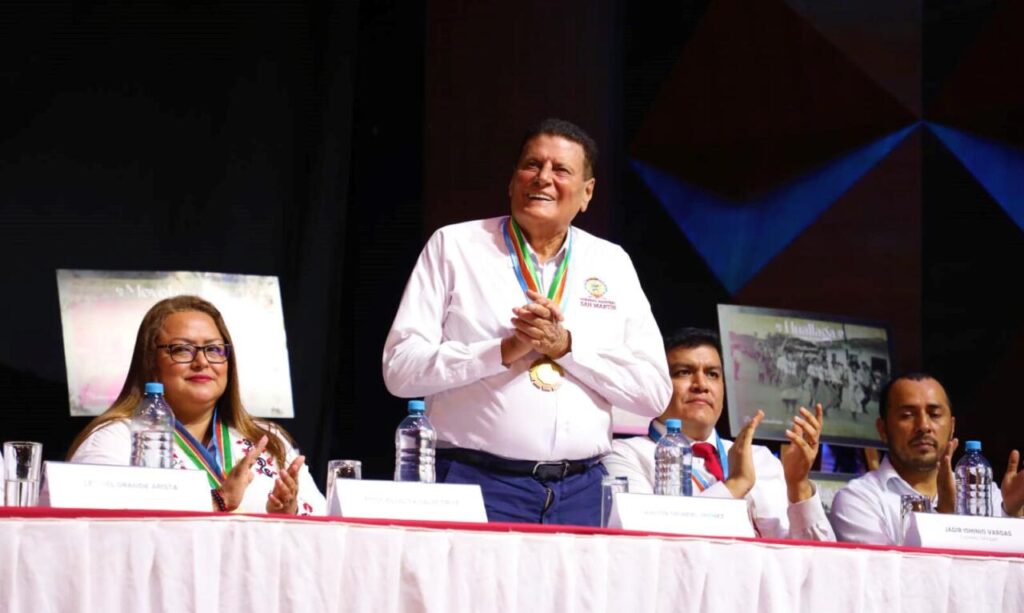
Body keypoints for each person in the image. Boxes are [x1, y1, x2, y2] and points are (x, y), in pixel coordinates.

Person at [382, 118, 671, 525]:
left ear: (587, 193)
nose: (543, 178)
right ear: (512, 180)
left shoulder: (612, 263)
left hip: (584, 491)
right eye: (532, 165)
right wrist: (502, 351)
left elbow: (654, 393)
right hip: (476, 483)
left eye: (561, 169)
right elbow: (400, 370)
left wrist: (566, 348)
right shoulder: (454, 247)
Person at [68, 295, 326, 515]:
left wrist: (288, 513)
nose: (202, 362)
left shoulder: (268, 441)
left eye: (213, 349)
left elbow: (327, 527)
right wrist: (218, 500)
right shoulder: (114, 439)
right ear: (151, 363)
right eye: (182, 349)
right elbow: (94, 525)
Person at [603, 328, 835, 540]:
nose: (701, 384)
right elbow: (644, 541)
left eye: (712, 374)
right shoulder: (625, 456)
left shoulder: (760, 458)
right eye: (684, 372)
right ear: (658, 384)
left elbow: (817, 559)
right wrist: (735, 485)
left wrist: (798, 487)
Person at [829, 372, 1024, 545]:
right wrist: (943, 516)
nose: (923, 426)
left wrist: (1012, 513)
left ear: (952, 427)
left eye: (934, 414)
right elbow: (890, 571)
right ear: (883, 429)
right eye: (907, 415)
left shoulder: (985, 492)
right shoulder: (859, 499)